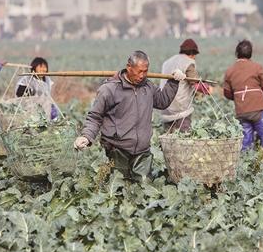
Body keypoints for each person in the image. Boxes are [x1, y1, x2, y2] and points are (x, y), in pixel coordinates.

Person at [73, 50, 185, 182]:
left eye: (145, 71)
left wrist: (173, 82)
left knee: (145, 186)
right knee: (117, 188)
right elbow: (95, 117)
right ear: (129, 67)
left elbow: (162, 101)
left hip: (142, 150)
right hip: (116, 149)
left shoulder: (148, 87)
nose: (142, 75)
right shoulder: (109, 89)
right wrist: (86, 136)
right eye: (139, 71)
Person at [223, 40, 263, 151]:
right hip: (258, 109)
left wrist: (239, 97)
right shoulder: (257, 67)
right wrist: (256, 95)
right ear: (251, 53)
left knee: (245, 141)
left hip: (242, 111)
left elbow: (227, 93)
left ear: (237, 53)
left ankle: (244, 164)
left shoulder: (230, 71)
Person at [160, 38, 212, 133]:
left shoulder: (167, 62)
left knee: (168, 141)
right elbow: (196, 84)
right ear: (193, 53)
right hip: (180, 110)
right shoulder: (188, 62)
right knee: (183, 141)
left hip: (165, 108)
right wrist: (208, 89)